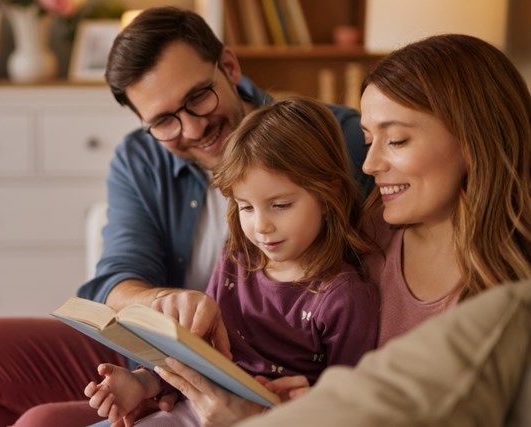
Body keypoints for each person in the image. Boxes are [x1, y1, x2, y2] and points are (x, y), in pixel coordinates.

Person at [0, 7, 369, 427]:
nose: (193, 129)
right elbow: (115, 279)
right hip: (168, 353)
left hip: (270, 372)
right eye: (164, 121)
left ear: (230, 68)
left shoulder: (337, 140)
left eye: (199, 96)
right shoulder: (141, 159)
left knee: (42, 422)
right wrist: (164, 305)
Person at [146, 33, 531, 426]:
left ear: (472, 137)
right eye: (367, 140)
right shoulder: (370, 230)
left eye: (396, 140)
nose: (369, 165)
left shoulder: (507, 300)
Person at [83, 98, 380, 426]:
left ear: (329, 195)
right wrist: (142, 383)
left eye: (280, 205)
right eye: (246, 207)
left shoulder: (344, 296)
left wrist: (283, 412)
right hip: (193, 409)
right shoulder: (236, 259)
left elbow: (348, 406)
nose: (261, 226)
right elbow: (199, 357)